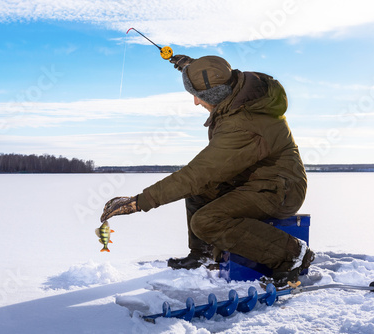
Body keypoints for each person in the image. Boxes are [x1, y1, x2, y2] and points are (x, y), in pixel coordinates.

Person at [100, 55, 314, 287]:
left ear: (216, 95)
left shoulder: (241, 126)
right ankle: (200, 255)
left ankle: (291, 254)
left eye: (199, 96)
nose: (195, 102)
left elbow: (199, 174)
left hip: (280, 189)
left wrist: (140, 201)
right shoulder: (239, 90)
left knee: (206, 221)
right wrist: (188, 66)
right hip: (255, 178)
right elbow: (215, 73)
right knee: (198, 194)